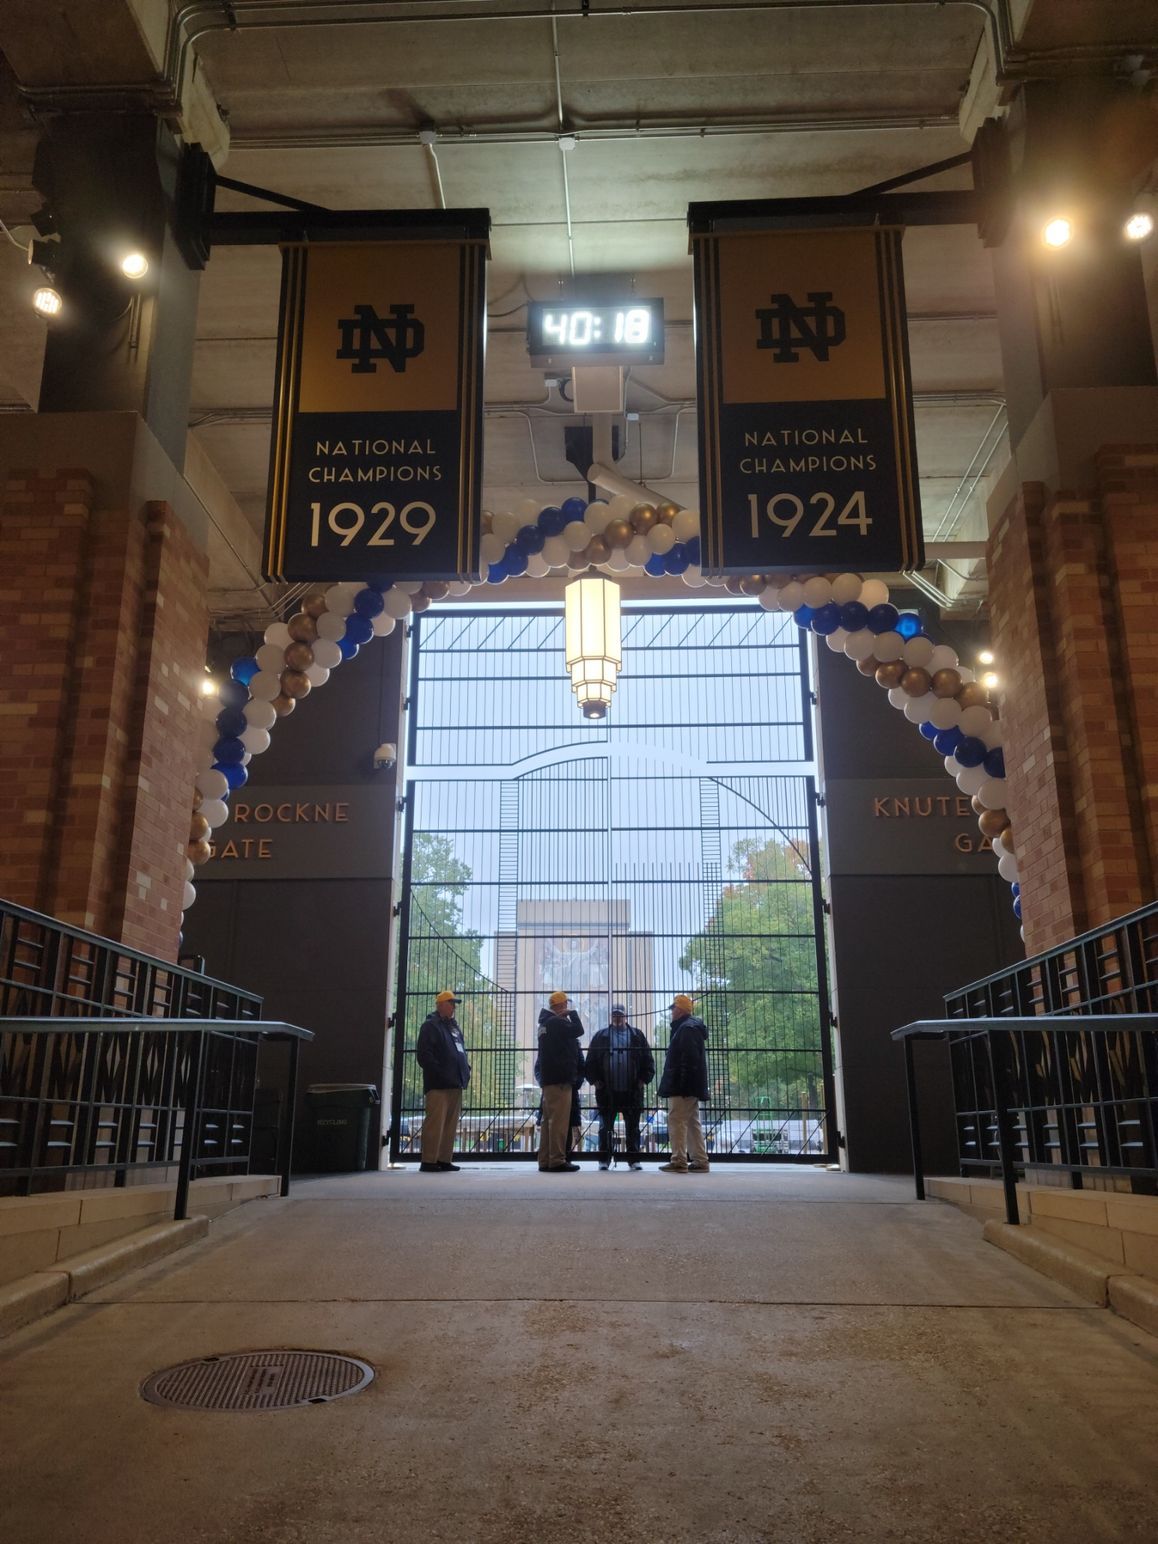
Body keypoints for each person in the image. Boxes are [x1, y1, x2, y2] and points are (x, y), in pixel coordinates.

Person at [585, 1003, 655, 1171]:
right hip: (607, 1091)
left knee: (633, 1127)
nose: (617, 1017)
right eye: (615, 1015)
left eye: (620, 1015)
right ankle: (604, 1159)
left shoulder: (637, 1036)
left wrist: (643, 1080)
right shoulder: (600, 1036)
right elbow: (590, 1062)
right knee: (604, 1127)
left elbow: (648, 1060)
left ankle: (634, 1159)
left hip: (632, 1091)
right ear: (611, 1017)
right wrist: (595, 1081)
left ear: (625, 1016)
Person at [414, 989, 470, 1173]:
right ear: (440, 1005)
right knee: (435, 1123)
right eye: (450, 1003)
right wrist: (440, 1072)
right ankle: (429, 1160)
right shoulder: (430, 1026)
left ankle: (444, 1159)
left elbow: (459, 1051)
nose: (453, 1007)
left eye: (454, 1004)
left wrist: (465, 1070)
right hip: (438, 1084)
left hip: (455, 1083)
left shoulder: (453, 1027)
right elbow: (424, 1056)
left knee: (450, 1125)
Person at [657, 993, 710, 1173]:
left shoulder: (686, 1029)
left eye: (673, 1009)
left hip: (682, 1085)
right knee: (692, 1121)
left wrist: (682, 1084)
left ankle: (678, 1160)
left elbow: (688, 1060)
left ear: (679, 1010)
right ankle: (700, 1160)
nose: (671, 1012)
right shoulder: (690, 1028)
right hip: (691, 1085)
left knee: (677, 1120)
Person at [537, 990, 584, 1172]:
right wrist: (572, 1014)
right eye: (565, 1004)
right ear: (559, 1006)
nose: (567, 1007)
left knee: (548, 1122)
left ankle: (544, 1160)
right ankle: (557, 1160)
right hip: (560, 1080)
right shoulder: (557, 1022)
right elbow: (579, 1030)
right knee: (558, 1122)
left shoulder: (544, 1024)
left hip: (549, 1080)